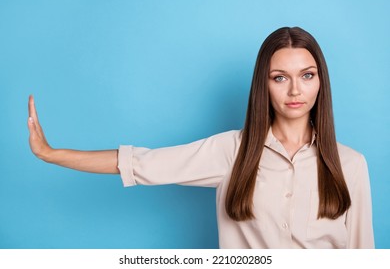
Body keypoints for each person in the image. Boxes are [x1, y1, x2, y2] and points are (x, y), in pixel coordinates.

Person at [28, 27, 374, 249]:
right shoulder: (231, 152)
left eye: (307, 75)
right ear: (263, 86)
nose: (295, 89)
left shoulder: (351, 165)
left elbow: (363, 254)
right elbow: (142, 164)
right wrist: (51, 153)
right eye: (280, 78)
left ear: (320, 82)